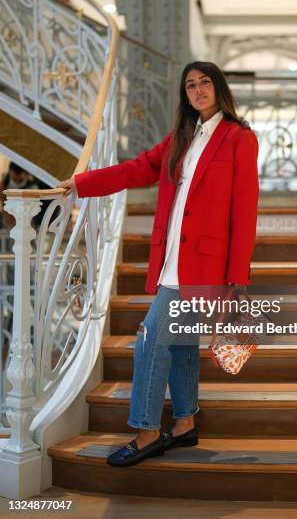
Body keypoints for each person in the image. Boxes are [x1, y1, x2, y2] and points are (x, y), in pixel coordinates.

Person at [57, 61, 259, 467]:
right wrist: (82, 184)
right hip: (170, 262)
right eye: (190, 85)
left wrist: (235, 280)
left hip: (206, 268)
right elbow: (136, 170)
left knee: (151, 340)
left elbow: (245, 211)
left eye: (205, 83)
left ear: (219, 89)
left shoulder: (239, 139)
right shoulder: (180, 138)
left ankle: (147, 431)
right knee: (181, 346)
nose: (198, 90)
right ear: (184, 94)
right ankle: (185, 424)